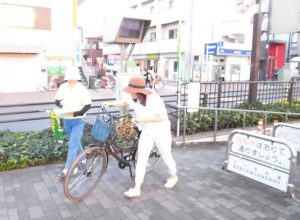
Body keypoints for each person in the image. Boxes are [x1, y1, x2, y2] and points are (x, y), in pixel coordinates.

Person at [103, 76, 178, 198]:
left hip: (161, 130)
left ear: (140, 92)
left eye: (132, 92)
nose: (130, 94)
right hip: (147, 130)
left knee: (165, 154)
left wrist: (142, 119)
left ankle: (173, 176)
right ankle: (137, 188)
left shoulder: (153, 98)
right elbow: (124, 103)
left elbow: (161, 117)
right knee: (141, 157)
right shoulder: (132, 96)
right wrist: (109, 103)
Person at [54, 66, 92, 179]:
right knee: (75, 142)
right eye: (69, 79)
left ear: (77, 79)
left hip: (78, 120)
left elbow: (88, 105)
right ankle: (84, 159)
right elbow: (56, 101)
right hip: (66, 119)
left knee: (72, 144)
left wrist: (78, 113)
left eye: (73, 79)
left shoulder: (82, 89)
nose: (71, 81)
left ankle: (67, 169)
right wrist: (60, 104)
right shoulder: (63, 87)